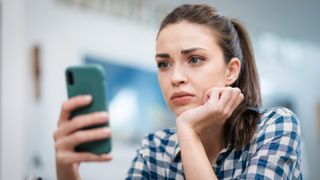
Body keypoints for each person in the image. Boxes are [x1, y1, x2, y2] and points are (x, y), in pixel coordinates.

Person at [53, 4, 302, 180]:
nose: (175, 78)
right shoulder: (155, 148)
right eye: (164, 64)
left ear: (231, 71)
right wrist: (68, 172)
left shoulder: (276, 127)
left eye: (194, 59)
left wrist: (189, 132)